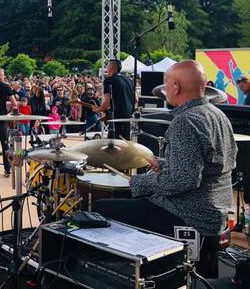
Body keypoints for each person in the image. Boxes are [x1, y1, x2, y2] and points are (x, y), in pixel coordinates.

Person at [93, 61, 237, 276]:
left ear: (177, 87)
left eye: (166, 84)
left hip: (189, 213)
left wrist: (140, 182)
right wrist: (165, 164)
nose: (165, 89)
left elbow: (182, 181)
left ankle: (126, 276)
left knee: (101, 209)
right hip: (215, 211)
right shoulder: (217, 115)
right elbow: (219, 163)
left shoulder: (186, 121)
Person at [93, 59, 135, 140]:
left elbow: (106, 102)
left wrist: (99, 109)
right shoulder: (129, 80)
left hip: (117, 116)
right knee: (125, 142)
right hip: (129, 115)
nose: (106, 69)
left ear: (111, 67)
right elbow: (135, 99)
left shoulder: (109, 80)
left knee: (113, 144)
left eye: (107, 66)